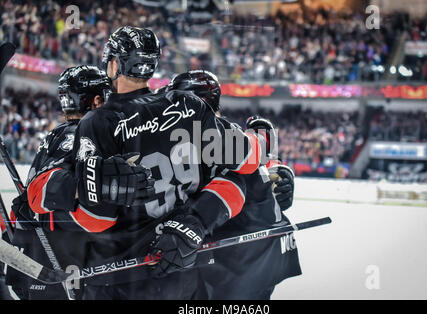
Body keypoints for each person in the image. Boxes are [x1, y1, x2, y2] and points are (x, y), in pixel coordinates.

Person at [71, 26, 265, 299]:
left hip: (121, 275)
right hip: (182, 269)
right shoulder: (188, 104)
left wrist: (84, 187)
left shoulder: (99, 122)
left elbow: (95, 220)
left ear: (114, 63)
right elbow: (248, 162)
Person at [5, 65, 154, 300]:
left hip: (36, 259)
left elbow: (26, 203)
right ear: (96, 100)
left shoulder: (60, 132)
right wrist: (100, 182)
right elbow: (40, 192)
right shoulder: (77, 134)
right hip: (56, 263)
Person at [166, 70, 300, 299]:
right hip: (265, 253)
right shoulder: (227, 134)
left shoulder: (206, 139)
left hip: (241, 261)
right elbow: (264, 163)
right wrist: (281, 173)